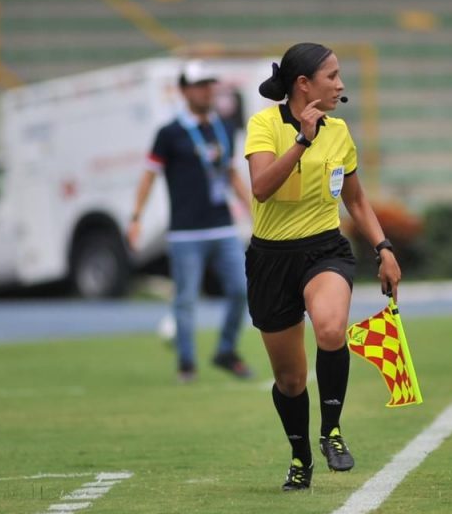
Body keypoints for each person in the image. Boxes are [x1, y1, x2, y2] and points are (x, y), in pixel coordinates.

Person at [244, 43, 401, 491]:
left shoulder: (340, 132)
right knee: (290, 380)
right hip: (271, 261)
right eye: (332, 76)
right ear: (303, 85)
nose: (341, 84)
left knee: (331, 329)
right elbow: (261, 188)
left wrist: (384, 248)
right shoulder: (264, 125)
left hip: (324, 250)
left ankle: (331, 431)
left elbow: (355, 199)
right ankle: (300, 458)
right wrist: (301, 142)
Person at [128, 60, 253, 382]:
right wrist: (136, 218)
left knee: (241, 290)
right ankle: (187, 364)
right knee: (185, 300)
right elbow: (148, 176)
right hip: (185, 232)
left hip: (223, 226)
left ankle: (226, 349)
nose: (206, 90)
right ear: (184, 91)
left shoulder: (223, 127)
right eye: (199, 85)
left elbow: (229, 174)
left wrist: (254, 211)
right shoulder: (169, 133)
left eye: (209, 84)